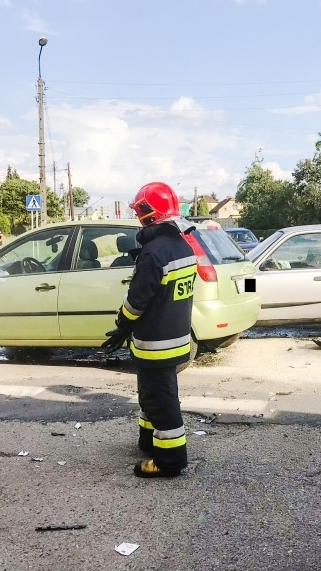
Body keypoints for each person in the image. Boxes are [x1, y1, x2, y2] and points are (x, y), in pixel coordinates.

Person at [102, 181, 196, 479]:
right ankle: (148, 441)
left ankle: (169, 460)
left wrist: (122, 325)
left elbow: (136, 302)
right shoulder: (182, 246)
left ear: (148, 214)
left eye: (139, 212)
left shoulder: (153, 253)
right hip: (175, 338)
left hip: (156, 342)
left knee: (160, 401)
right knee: (151, 396)